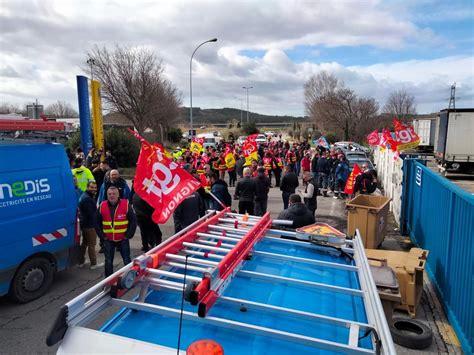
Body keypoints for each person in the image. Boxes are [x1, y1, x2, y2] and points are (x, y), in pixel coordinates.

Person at [96, 186, 137, 277]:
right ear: (107, 195)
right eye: (109, 194)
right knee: (108, 261)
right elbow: (96, 223)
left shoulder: (126, 205)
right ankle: (108, 281)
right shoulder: (102, 206)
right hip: (108, 239)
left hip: (123, 238)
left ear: (118, 195)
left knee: (126, 260)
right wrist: (102, 236)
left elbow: (133, 221)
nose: (112, 196)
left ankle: (130, 278)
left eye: (114, 194)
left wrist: (128, 235)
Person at [78, 182, 103, 269]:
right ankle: (93, 263)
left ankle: (80, 261)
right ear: (87, 187)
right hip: (89, 225)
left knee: (84, 243)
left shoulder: (85, 196)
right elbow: (91, 214)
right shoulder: (87, 199)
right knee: (92, 244)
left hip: (85, 224)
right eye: (92, 187)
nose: (94, 189)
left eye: (95, 187)